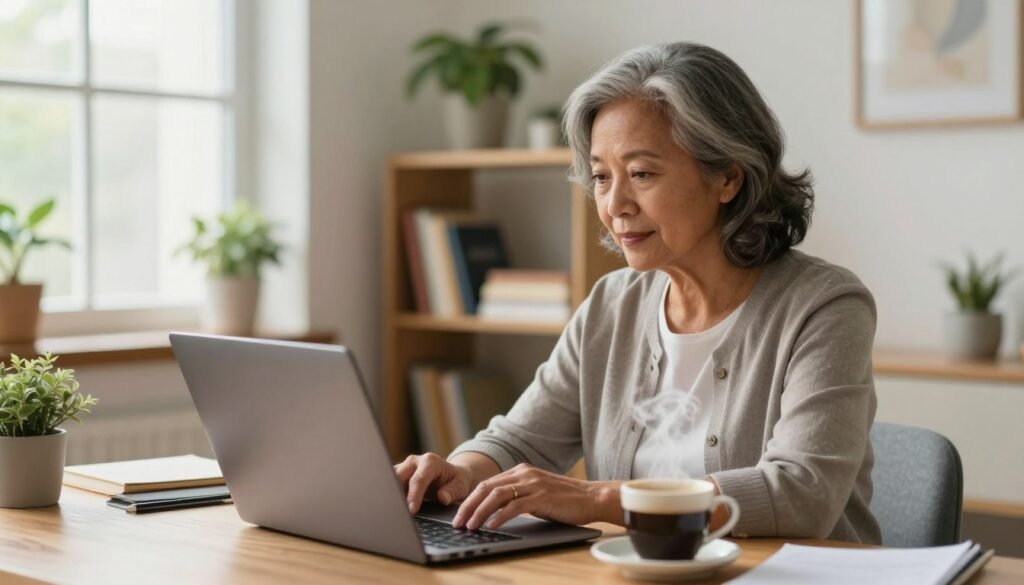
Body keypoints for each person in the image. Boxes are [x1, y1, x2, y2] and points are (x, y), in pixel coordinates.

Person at [394, 42, 881, 544]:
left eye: (642, 174)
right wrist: (462, 472)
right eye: (602, 177)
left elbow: (803, 494)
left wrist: (599, 499)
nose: (614, 204)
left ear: (728, 177)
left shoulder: (825, 307)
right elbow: (521, 439)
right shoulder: (612, 303)